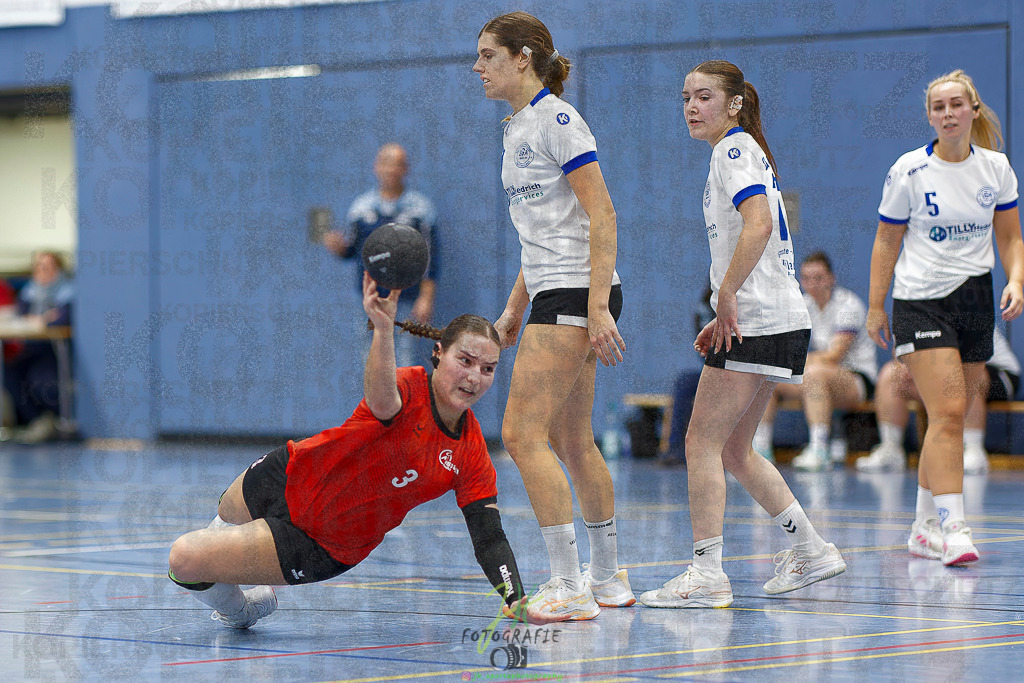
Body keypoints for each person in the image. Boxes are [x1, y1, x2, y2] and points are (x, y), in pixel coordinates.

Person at [167, 272, 529, 629]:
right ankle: (222, 573)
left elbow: (489, 537)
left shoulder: (471, 454)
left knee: (184, 559)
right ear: (438, 353)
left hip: (322, 542)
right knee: (217, 529)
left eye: (487, 369)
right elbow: (383, 400)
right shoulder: (406, 386)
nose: (473, 377)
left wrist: (516, 599)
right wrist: (384, 330)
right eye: (464, 361)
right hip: (290, 472)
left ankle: (241, 612)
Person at [640, 60, 846, 609]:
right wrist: (727, 301)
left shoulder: (732, 150)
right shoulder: (743, 152)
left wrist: (725, 294)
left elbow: (756, 224)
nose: (690, 107)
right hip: (778, 319)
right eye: (685, 97)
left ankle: (706, 572)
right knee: (734, 448)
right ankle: (812, 549)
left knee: (699, 443)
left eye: (703, 96)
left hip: (755, 318)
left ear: (733, 104)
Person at [473, 11, 633, 623]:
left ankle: (567, 584)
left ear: (523, 57)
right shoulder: (517, 128)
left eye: (488, 56)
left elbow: (603, 216)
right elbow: (539, 233)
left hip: (573, 293)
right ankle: (607, 576)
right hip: (551, 291)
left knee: (519, 435)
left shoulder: (559, 121)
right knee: (571, 438)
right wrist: (515, 308)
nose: (479, 68)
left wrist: (595, 307)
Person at [866, 69, 1023, 567]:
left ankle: (921, 527)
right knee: (951, 411)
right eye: (939, 106)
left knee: (950, 413)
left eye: (957, 104)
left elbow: (1011, 238)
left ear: (973, 110)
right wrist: (875, 305)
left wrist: (1016, 278)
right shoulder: (909, 170)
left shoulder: (996, 168)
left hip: (975, 297)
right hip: (920, 300)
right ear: (929, 116)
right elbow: (886, 241)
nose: (948, 113)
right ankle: (954, 527)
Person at [754, 251, 878, 470]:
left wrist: (797, 361)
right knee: (768, 377)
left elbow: (834, 356)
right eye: (807, 279)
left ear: (832, 278)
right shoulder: (803, 304)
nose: (813, 284)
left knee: (814, 374)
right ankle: (760, 450)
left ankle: (820, 449)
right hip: (818, 373)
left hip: (857, 379)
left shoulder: (849, 305)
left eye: (819, 278)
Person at [322, 143, 441, 368]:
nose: (391, 170)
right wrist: (338, 247)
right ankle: (374, 404)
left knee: (404, 363)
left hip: (406, 300)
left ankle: (404, 405)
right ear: (376, 167)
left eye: (397, 164)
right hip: (370, 300)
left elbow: (431, 257)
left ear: (405, 169)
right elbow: (351, 250)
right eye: (386, 163)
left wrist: (426, 297)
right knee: (371, 363)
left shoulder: (421, 210)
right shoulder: (361, 207)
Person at [857, 325, 1020, 475]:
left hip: (997, 373)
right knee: (891, 374)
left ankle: (973, 450)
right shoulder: (911, 308)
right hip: (941, 375)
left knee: (964, 374)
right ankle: (890, 449)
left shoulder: (966, 306)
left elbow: (965, 358)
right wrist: (907, 366)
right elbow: (900, 356)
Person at [2, 251, 73, 444]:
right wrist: (43, 319)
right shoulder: (29, 292)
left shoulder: (67, 292)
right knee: (9, 374)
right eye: (39, 267)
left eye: (48, 267)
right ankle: (37, 421)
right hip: (30, 349)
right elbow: (20, 317)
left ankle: (59, 421)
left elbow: (61, 320)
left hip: (54, 351)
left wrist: (41, 321)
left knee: (41, 380)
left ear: (58, 270)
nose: (43, 272)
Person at [661, 285, 715, 467]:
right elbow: (703, 347)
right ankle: (675, 448)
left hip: (740, 371)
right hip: (713, 369)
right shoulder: (704, 308)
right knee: (684, 382)